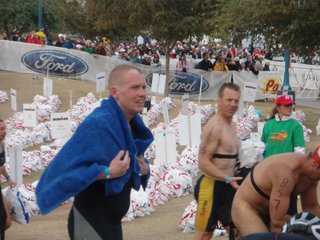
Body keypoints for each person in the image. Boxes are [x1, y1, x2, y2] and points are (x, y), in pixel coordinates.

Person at [35, 65, 154, 240]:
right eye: (134, 87)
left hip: (111, 223)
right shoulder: (98, 124)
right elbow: (67, 169)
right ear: (115, 92)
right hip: (90, 221)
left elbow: (125, 162)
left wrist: (140, 167)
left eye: (143, 87)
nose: (142, 93)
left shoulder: (130, 124)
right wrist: (107, 172)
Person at [231, 146, 320, 238]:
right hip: (248, 206)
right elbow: (277, 221)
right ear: (314, 164)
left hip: (272, 208)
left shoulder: (312, 175)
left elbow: (311, 207)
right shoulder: (286, 173)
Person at [193, 83, 243, 240]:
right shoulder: (214, 126)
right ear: (219, 100)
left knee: (237, 233)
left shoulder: (232, 125)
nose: (233, 104)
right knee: (204, 235)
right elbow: (202, 162)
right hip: (212, 187)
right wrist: (226, 178)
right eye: (229, 100)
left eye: (236, 101)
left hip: (230, 187)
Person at [0, 119, 16, 240]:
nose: (4, 131)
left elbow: (1, 165)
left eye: (4, 128)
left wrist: (8, 179)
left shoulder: (2, 144)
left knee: (6, 221)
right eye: (1, 129)